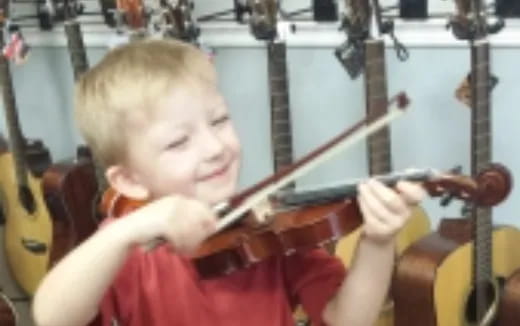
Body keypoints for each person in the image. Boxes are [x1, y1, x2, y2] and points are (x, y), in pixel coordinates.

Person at [32, 38, 426, 326]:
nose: (214, 147)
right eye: (178, 142)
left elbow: (347, 321)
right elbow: (51, 316)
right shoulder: (130, 247)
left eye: (219, 120)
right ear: (130, 181)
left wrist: (378, 241)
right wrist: (125, 232)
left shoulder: (265, 230)